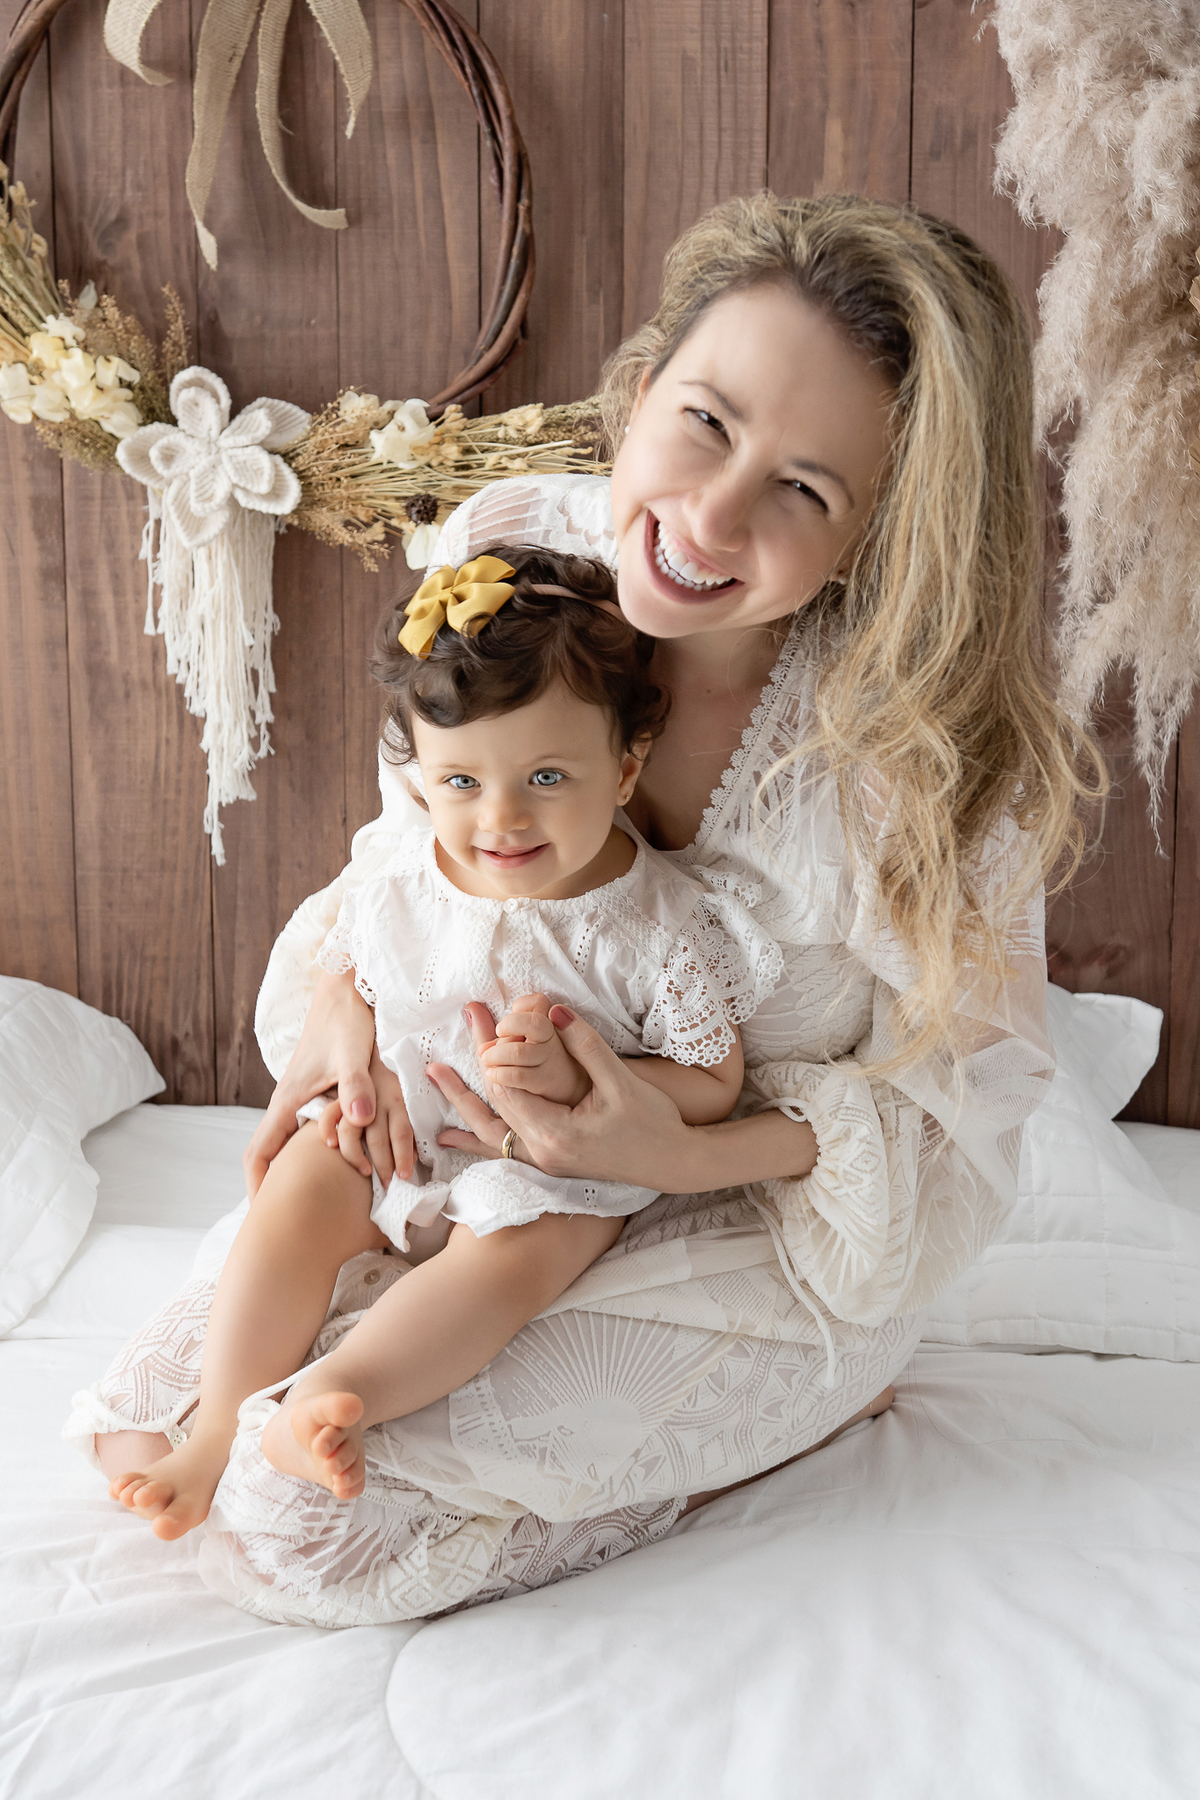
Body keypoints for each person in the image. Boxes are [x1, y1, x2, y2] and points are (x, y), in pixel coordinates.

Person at [70, 192, 1099, 1628]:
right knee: (148, 1419)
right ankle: (382, 1331)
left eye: (805, 490)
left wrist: (665, 1149)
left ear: (876, 536)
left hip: (757, 1221)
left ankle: (746, 1434)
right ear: (643, 384)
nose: (710, 515)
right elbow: (404, 846)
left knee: (306, 1515)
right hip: (464, 1152)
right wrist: (345, 1007)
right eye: (705, 422)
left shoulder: (929, 757)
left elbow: (965, 1106)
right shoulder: (511, 563)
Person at [103, 548, 782, 1533]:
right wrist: (352, 1077)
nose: (501, 819)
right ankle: (211, 1433)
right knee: (303, 1179)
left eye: (547, 776)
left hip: (554, 1171)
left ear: (626, 765)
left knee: (510, 1255)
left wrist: (589, 1076)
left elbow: (714, 1083)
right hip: (404, 1136)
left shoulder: (657, 925)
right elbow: (355, 985)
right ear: (420, 775)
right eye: (461, 780)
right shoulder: (401, 884)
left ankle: (337, 1396)